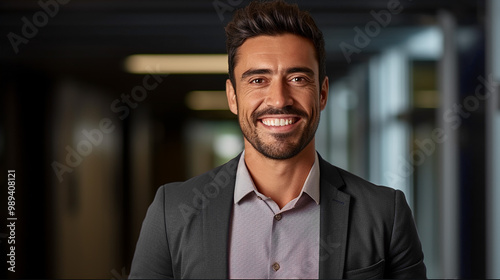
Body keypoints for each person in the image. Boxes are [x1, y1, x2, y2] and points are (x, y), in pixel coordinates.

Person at [129, 0, 427, 279]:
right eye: (258, 80)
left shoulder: (385, 213)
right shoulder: (172, 212)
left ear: (322, 93)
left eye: (297, 79)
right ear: (233, 96)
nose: (279, 99)